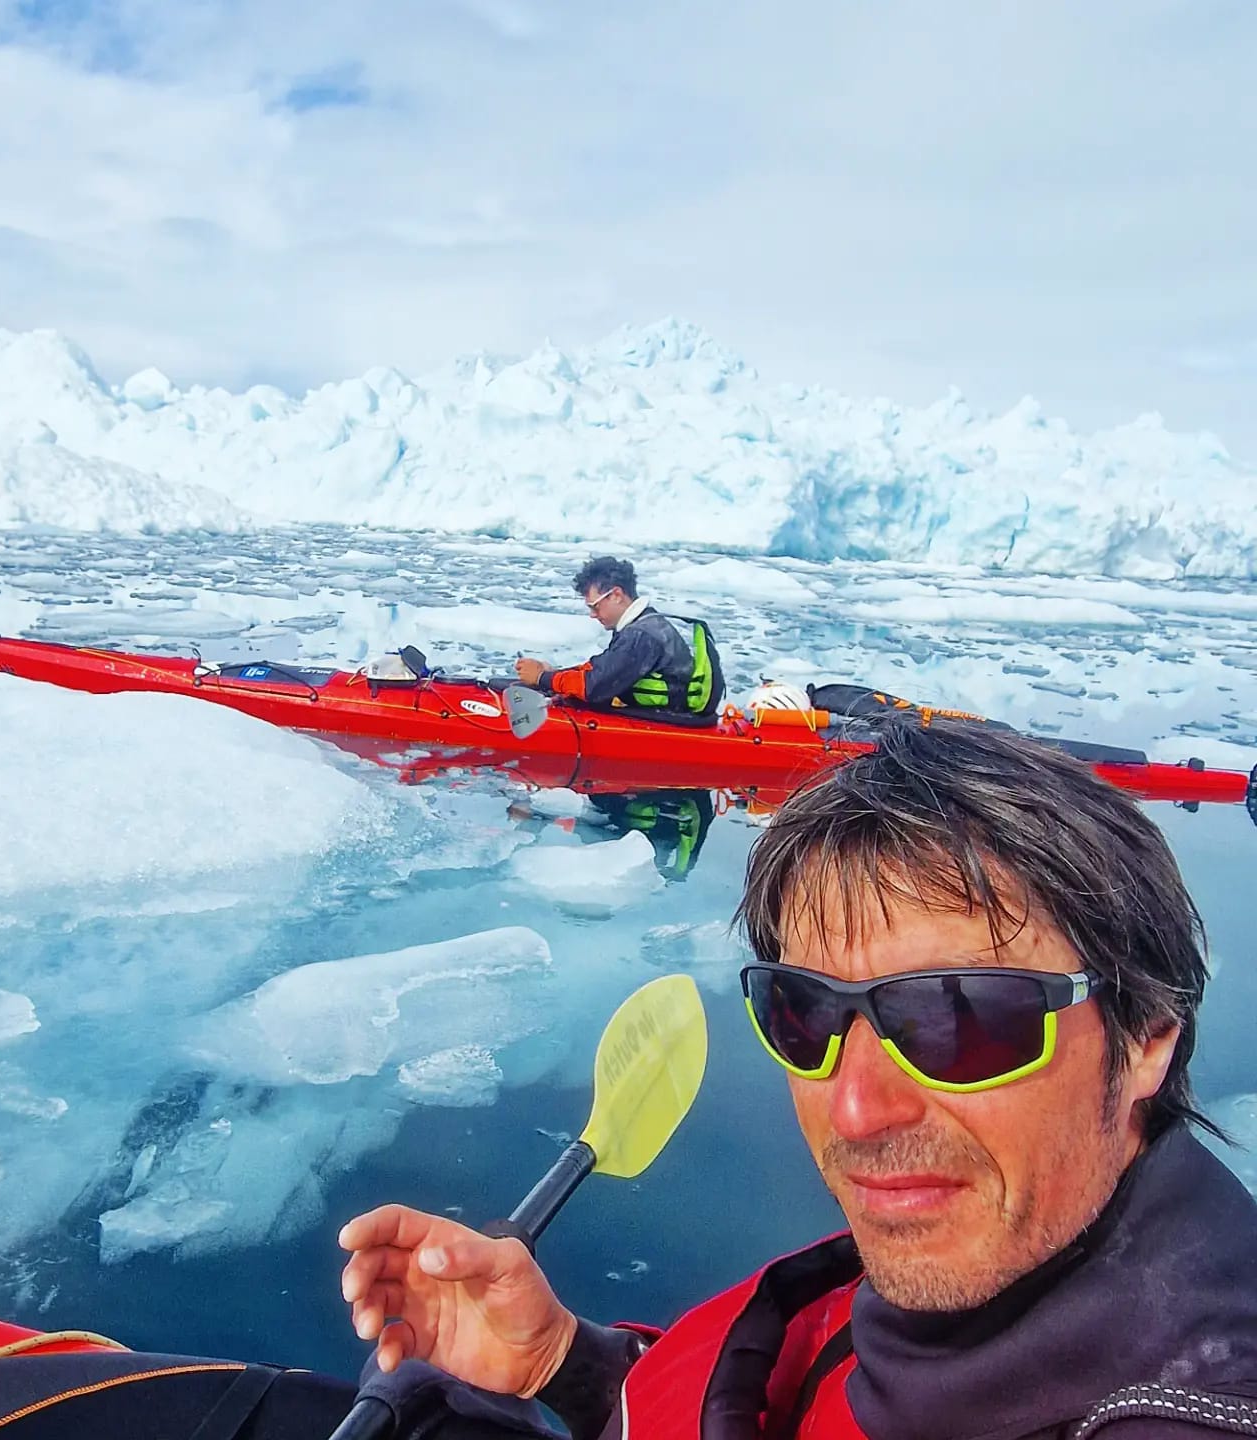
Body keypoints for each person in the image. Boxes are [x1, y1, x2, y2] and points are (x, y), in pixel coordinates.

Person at [338, 720, 1257, 1438]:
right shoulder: (946, 1295)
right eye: (804, 1011)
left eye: (959, 1017)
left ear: (1149, 1038)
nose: (856, 1110)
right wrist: (564, 1365)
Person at [514, 557, 723, 721]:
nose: (592, 615)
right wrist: (555, 674)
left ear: (616, 595)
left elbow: (595, 687)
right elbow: (601, 668)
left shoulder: (641, 635)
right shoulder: (642, 622)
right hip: (659, 710)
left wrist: (542, 678)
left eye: (595, 606)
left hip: (667, 719)